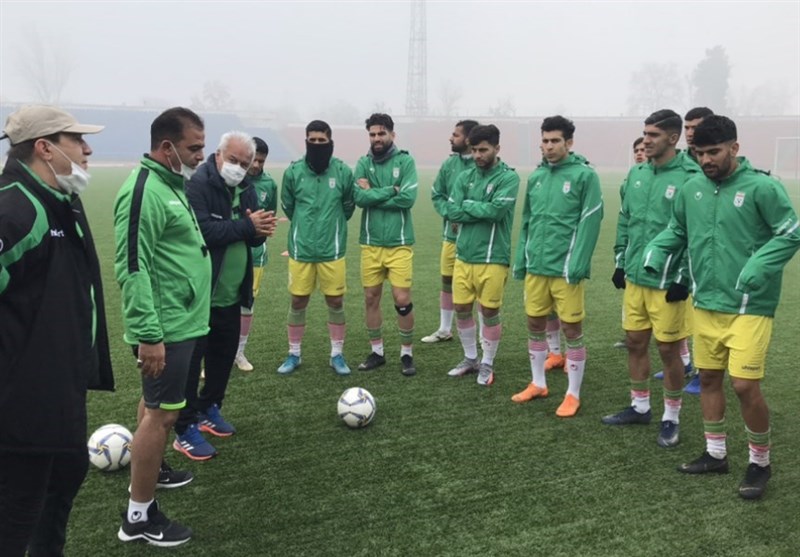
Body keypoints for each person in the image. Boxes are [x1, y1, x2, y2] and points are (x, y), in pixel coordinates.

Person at [645, 115, 800, 499]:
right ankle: (716, 454)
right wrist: (656, 248)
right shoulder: (692, 187)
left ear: (734, 147)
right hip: (706, 303)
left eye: (714, 152)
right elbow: (678, 230)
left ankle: (759, 462)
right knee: (710, 379)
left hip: (749, 306)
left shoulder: (763, 187)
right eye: (699, 153)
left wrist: (758, 267)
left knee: (745, 385)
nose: (706, 160)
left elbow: (791, 231)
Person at [0, 106, 114, 557]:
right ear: (45, 148)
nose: (88, 149)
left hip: (60, 393)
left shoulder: (61, 199)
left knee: (59, 492)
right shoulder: (14, 209)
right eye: (76, 140)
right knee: (17, 513)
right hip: (21, 405)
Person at [114, 107, 210, 546]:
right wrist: (149, 335)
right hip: (165, 326)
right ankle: (138, 517)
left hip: (182, 319)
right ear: (166, 146)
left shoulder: (171, 184)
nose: (200, 155)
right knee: (162, 415)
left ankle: (152, 470)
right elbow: (134, 268)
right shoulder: (144, 190)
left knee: (155, 406)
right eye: (194, 147)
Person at [173, 131, 275, 461]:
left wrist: (261, 231)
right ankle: (184, 427)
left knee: (221, 357)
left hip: (231, 293)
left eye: (245, 164)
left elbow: (253, 237)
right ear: (218, 155)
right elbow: (203, 231)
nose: (239, 168)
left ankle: (210, 408)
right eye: (233, 161)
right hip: (202, 295)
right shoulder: (197, 184)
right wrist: (248, 228)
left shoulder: (246, 189)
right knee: (190, 366)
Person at [601, 109, 700, 447]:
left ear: (673, 138)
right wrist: (620, 261)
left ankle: (670, 417)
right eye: (645, 133)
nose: (646, 140)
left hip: (668, 282)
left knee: (669, 352)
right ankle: (639, 406)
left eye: (654, 135)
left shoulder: (690, 176)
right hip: (635, 279)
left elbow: (695, 233)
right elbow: (625, 220)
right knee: (634, 342)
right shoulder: (637, 174)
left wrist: (684, 277)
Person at [511, 115, 603, 417]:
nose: (548, 146)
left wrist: (578, 263)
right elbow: (526, 220)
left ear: (569, 143)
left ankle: (573, 393)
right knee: (535, 324)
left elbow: (590, 220)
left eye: (554, 141)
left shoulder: (584, 176)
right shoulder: (536, 177)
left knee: (572, 329)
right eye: (545, 140)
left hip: (565, 269)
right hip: (536, 267)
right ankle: (538, 383)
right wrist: (521, 260)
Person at [276, 120, 356, 375]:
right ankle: (294, 354)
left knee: (335, 300)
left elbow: (348, 206)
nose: (317, 144)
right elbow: (288, 205)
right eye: (313, 140)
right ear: (306, 141)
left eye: (322, 141)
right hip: (301, 249)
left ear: (330, 141)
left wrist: (331, 226)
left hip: (332, 249)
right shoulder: (293, 172)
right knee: (298, 300)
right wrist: (305, 225)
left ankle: (337, 355)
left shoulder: (343, 171)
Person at [444, 124, 519, 386]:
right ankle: (470, 358)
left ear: (497, 148)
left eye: (483, 150)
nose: (477, 155)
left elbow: (497, 212)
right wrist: (478, 208)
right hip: (464, 256)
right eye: (474, 150)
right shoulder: (464, 177)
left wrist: (467, 206)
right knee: (462, 308)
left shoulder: (509, 178)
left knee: (488, 310)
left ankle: (487, 362)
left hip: (493, 258)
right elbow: (452, 212)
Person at [353, 113, 419, 376]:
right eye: (372, 134)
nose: (377, 138)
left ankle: (406, 353)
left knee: (402, 299)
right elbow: (359, 198)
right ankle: (377, 352)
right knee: (371, 298)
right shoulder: (362, 162)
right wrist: (391, 189)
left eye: (381, 133)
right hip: (370, 243)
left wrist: (373, 194)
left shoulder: (405, 161)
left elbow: (408, 199)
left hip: (399, 243)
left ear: (392, 134)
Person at [421, 119, 479, 344]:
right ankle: (445, 329)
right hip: (451, 236)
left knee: (477, 285)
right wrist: (451, 214)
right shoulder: (449, 165)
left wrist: (461, 216)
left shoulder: (480, 165)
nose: (450, 138)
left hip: (476, 239)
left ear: (468, 138)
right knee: (447, 280)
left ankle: (483, 335)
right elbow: (437, 194)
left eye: (455, 135)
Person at [234, 137, 278, 372]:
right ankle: (215, 356)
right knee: (220, 304)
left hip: (256, 253)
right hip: (230, 251)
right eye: (254, 160)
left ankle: (239, 352)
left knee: (247, 304)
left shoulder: (269, 184)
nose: (257, 166)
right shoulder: (229, 180)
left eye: (261, 161)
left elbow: (270, 216)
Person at [613, 136, 650, 350]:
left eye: (643, 149)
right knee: (632, 299)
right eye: (636, 149)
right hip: (633, 250)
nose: (639, 153)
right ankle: (632, 337)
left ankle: (683, 357)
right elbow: (625, 217)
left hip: (657, 253)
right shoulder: (629, 181)